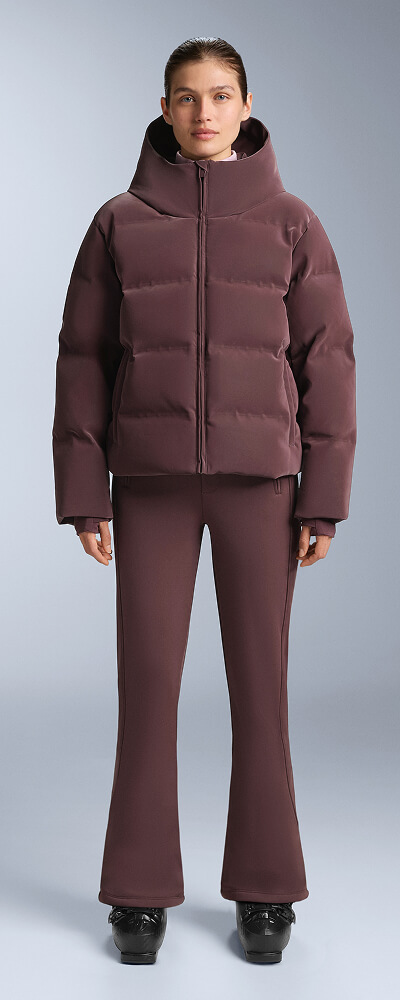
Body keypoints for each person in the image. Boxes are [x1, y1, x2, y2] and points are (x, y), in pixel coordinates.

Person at [52, 36, 357, 965]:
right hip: (149, 487)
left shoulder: (293, 223)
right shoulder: (118, 222)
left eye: (221, 95)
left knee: (261, 691)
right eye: (186, 97)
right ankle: (137, 891)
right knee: (147, 687)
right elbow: (82, 360)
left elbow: (329, 362)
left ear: (247, 104)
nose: (204, 113)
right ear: (164, 108)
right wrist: (85, 494)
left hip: (262, 487)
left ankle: (267, 889)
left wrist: (323, 500)